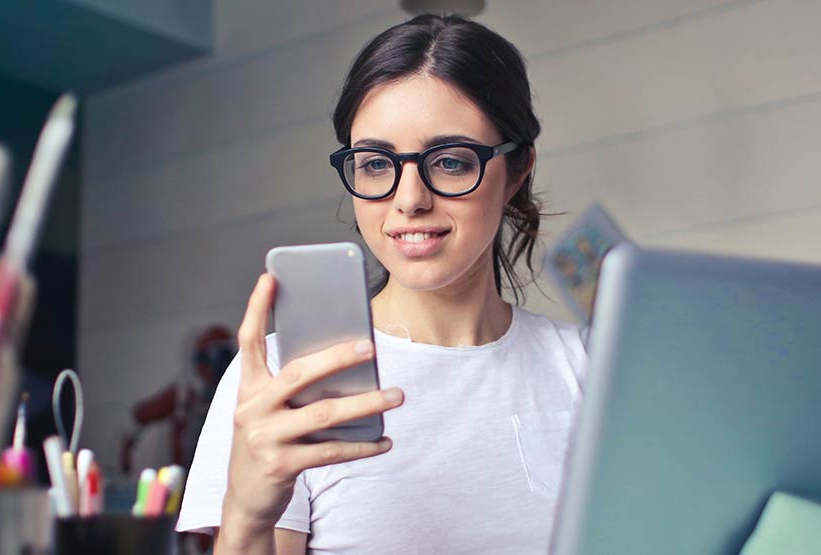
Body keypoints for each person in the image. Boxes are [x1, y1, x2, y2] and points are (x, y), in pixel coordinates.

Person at [176, 14, 588, 554]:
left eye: (449, 160)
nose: (409, 199)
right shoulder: (285, 381)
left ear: (516, 171)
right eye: (375, 163)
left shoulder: (588, 367)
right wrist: (247, 515)